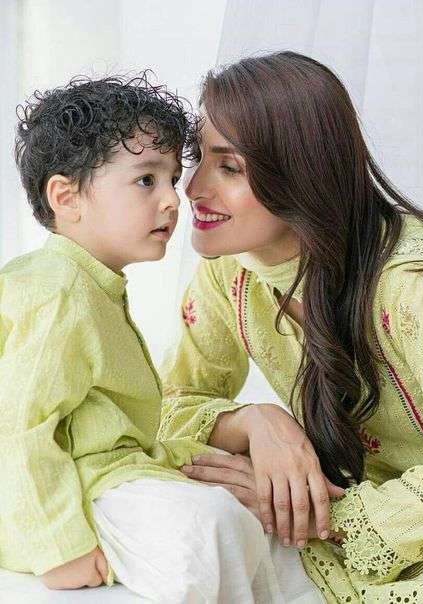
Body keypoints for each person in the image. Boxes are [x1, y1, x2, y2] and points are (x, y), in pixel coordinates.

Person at [159, 51, 423, 603]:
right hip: (348, 511)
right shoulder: (233, 273)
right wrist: (257, 422)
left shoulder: (412, 280)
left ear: (299, 173)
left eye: (229, 168)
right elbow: (167, 405)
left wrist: (339, 519)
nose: (192, 189)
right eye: (198, 158)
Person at [0, 73, 322, 603]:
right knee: (211, 525)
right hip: (82, 492)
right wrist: (59, 548)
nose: (174, 200)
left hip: (117, 474)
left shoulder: (92, 284)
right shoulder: (56, 291)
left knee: (260, 517)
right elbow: (18, 428)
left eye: (172, 179)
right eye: (146, 180)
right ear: (66, 196)